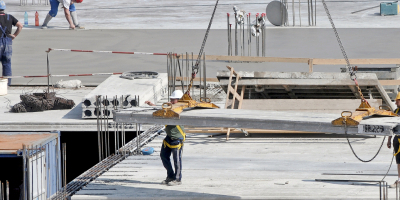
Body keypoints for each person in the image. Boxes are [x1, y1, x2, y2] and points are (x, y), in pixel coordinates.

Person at [145, 90, 186, 186]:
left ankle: (177, 179)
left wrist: (171, 106)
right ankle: (170, 176)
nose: (171, 101)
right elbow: (161, 110)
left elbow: (175, 110)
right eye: (171, 99)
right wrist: (152, 105)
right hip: (169, 137)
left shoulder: (181, 109)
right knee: (164, 156)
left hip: (177, 138)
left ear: (179, 100)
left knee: (177, 160)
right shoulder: (170, 107)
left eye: (173, 100)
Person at [0, 1, 22, 86]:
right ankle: (7, 84)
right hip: (8, 42)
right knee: (7, 63)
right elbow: (20, 25)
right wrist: (14, 35)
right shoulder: (10, 17)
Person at [388, 92, 400, 188]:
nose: (395, 103)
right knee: (399, 161)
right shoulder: (396, 112)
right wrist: (389, 140)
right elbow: (391, 127)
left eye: (397, 101)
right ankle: (399, 180)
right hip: (397, 138)